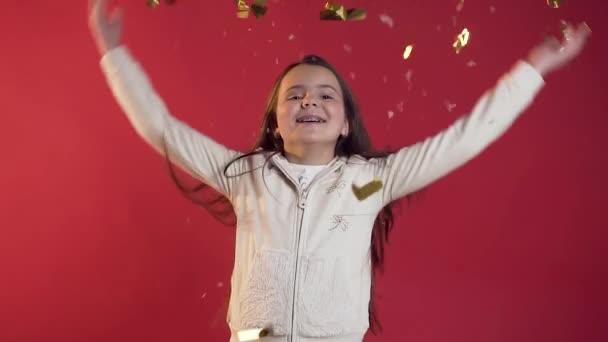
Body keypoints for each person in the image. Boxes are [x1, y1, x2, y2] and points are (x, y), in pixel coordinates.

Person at [88, 0, 591, 341]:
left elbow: (466, 137)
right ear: (276, 122)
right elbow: (160, 128)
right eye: (295, 95)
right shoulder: (245, 177)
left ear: (345, 121)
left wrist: (533, 69)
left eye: (326, 94)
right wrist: (113, 51)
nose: (310, 100)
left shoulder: (370, 183)